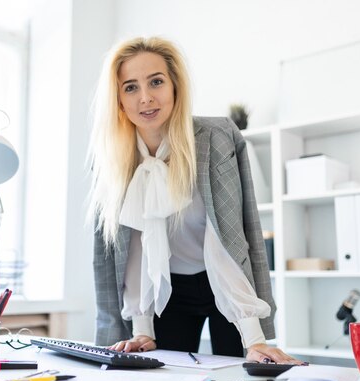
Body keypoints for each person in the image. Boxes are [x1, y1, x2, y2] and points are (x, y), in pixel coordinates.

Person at [88, 36, 301, 364]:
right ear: (117, 99)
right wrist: (142, 328)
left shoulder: (215, 140)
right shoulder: (114, 160)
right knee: (168, 377)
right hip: (167, 291)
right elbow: (135, 249)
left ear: (175, 86)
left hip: (223, 285)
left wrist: (253, 335)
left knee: (239, 374)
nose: (145, 98)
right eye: (130, 87)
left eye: (156, 82)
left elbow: (226, 239)